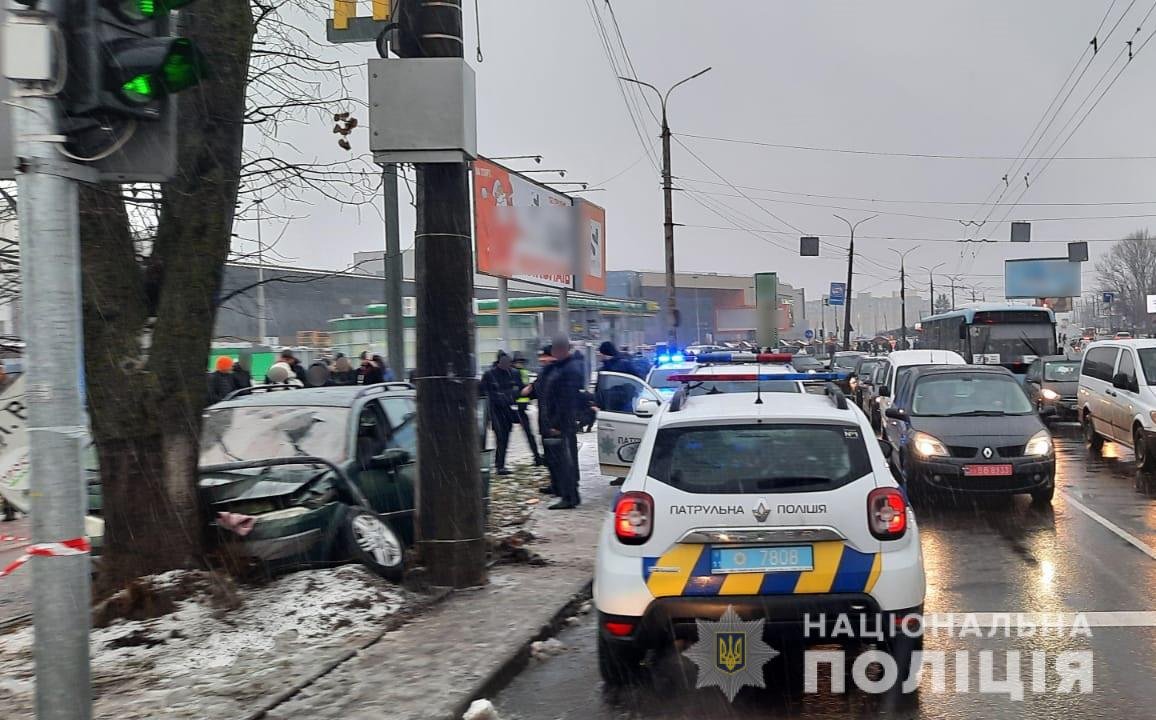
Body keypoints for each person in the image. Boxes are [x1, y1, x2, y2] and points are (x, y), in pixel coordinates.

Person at [536, 335, 584, 509]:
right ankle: (566, 492)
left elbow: (567, 401)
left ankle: (570, 496)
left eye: (555, 350)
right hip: (555, 422)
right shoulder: (558, 368)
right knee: (559, 461)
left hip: (562, 424)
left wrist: (558, 424)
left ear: (562, 350)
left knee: (566, 462)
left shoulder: (569, 370)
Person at [481, 351, 520, 475]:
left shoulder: (513, 373)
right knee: (500, 437)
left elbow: (518, 389)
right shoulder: (489, 375)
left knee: (505, 438)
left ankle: (500, 463)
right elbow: (483, 392)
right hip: (495, 410)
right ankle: (499, 465)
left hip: (508, 410)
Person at [511, 352, 544, 466]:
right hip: (516, 407)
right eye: (518, 362)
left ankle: (536, 457)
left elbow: (527, 389)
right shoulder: (513, 372)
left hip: (521, 407)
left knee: (529, 434)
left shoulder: (523, 372)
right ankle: (536, 457)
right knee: (504, 438)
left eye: (521, 362)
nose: (520, 364)